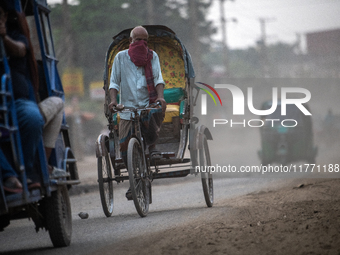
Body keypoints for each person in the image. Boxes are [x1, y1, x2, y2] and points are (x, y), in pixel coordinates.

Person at [0, 1, 65, 192]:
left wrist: (3, 37)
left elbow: (20, 49)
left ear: (5, 17)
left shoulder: (16, 36)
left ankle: (31, 170)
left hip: (18, 103)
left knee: (33, 117)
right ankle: (9, 176)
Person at [108, 26, 166, 199]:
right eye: (137, 40)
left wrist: (161, 97)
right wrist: (113, 101)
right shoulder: (120, 58)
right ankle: (135, 180)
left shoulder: (152, 56)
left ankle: (153, 147)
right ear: (130, 41)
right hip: (126, 109)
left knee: (156, 112)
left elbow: (158, 78)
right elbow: (114, 83)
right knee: (124, 148)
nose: (141, 43)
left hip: (148, 104)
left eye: (145, 40)